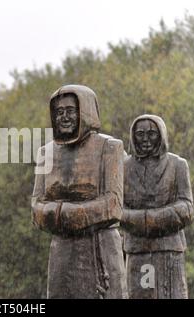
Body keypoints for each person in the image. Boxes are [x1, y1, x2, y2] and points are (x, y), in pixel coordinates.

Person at [31, 85, 127, 298]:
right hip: (62, 250)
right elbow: (36, 206)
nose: (64, 117)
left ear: (86, 111)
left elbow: (113, 205)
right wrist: (60, 214)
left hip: (99, 247)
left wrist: (62, 213)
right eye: (59, 112)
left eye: (70, 111)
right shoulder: (45, 153)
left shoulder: (110, 147)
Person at [121, 114, 194, 299]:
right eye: (140, 134)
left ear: (161, 135)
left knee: (172, 294)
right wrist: (141, 221)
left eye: (152, 134)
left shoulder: (178, 165)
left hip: (169, 249)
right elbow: (115, 209)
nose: (145, 139)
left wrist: (151, 219)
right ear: (133, 136)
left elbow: (187, 208)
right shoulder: (123, 167)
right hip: (137, 249)